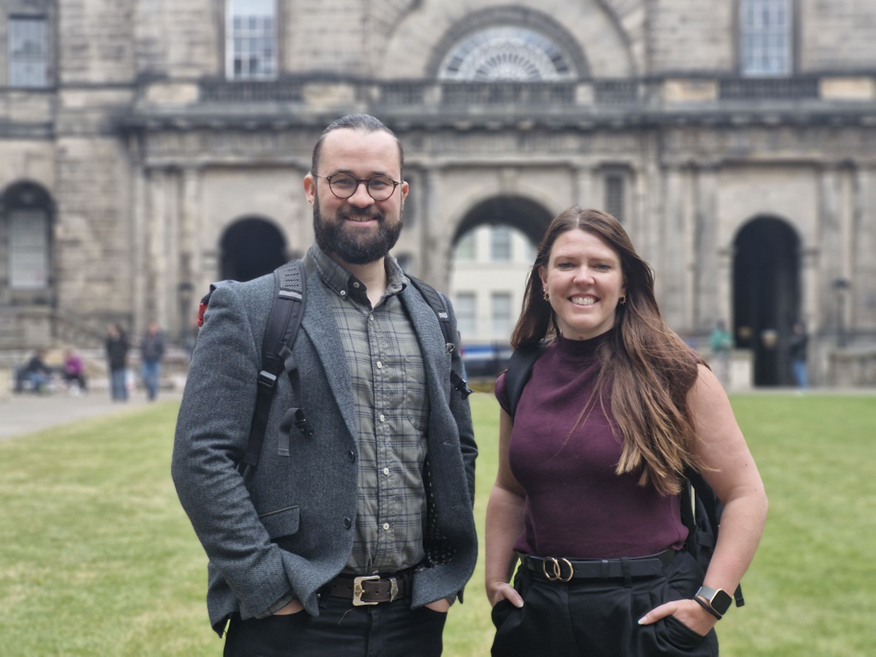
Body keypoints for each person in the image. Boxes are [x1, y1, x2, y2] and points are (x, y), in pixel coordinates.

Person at [172, 114, 477, 657]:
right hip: (293, 623)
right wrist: (270, 587)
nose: (362, 198)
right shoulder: (249, 307)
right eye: (343, 181)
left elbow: (459, 448)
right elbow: (201, 458)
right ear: (312, 189)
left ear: (401, 193)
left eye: (378, 182)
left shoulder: (435, 312)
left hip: (411, 623)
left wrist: (440, 580)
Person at [485, 207, 768, 657]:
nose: (583, 278)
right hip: (537, 614)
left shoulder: (676, 374)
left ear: (624, 284)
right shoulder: (520, 377)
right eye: (566, 264)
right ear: (543, 279)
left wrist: (709, 604)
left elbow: (745, 494)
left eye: (601, 266)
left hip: (646, 615)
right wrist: (495, 579)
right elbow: (509, 490)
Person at [140, 321, 165, 401]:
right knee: (145, 377)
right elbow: (142, 347)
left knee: (154, 378)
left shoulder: (159, 338)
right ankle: (150, 390)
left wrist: (158, 355)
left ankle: (153, 394)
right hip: (146, 359)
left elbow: (162, 349)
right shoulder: (145, 337)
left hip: (155, 359)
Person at [105, 323, 129, 401]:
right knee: (114, 381)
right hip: (113, 362)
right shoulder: (109, 339)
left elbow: (125, 348)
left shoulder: (122, 338)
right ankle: (115, 395)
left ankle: (123, 395)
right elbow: (108, 350)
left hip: (121, 362)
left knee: (121, 380)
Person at [708, 320, 733, 388]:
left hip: (726, 354)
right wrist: (722, 344)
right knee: (719, 370)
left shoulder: (727, 333)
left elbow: (732, 341)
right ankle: (718, 385)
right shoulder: (716, 334)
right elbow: (714, 344)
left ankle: (726, 385)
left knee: (726, 370)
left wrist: (729, 344)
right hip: (719, 354)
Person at [789, 321, 808, 389]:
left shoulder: (803, 336)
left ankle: (804, 388)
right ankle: (801, 387)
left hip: (800, 358)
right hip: (795, 358)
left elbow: (794, 343)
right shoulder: (796, 336)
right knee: (796, 373)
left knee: (801, 374)